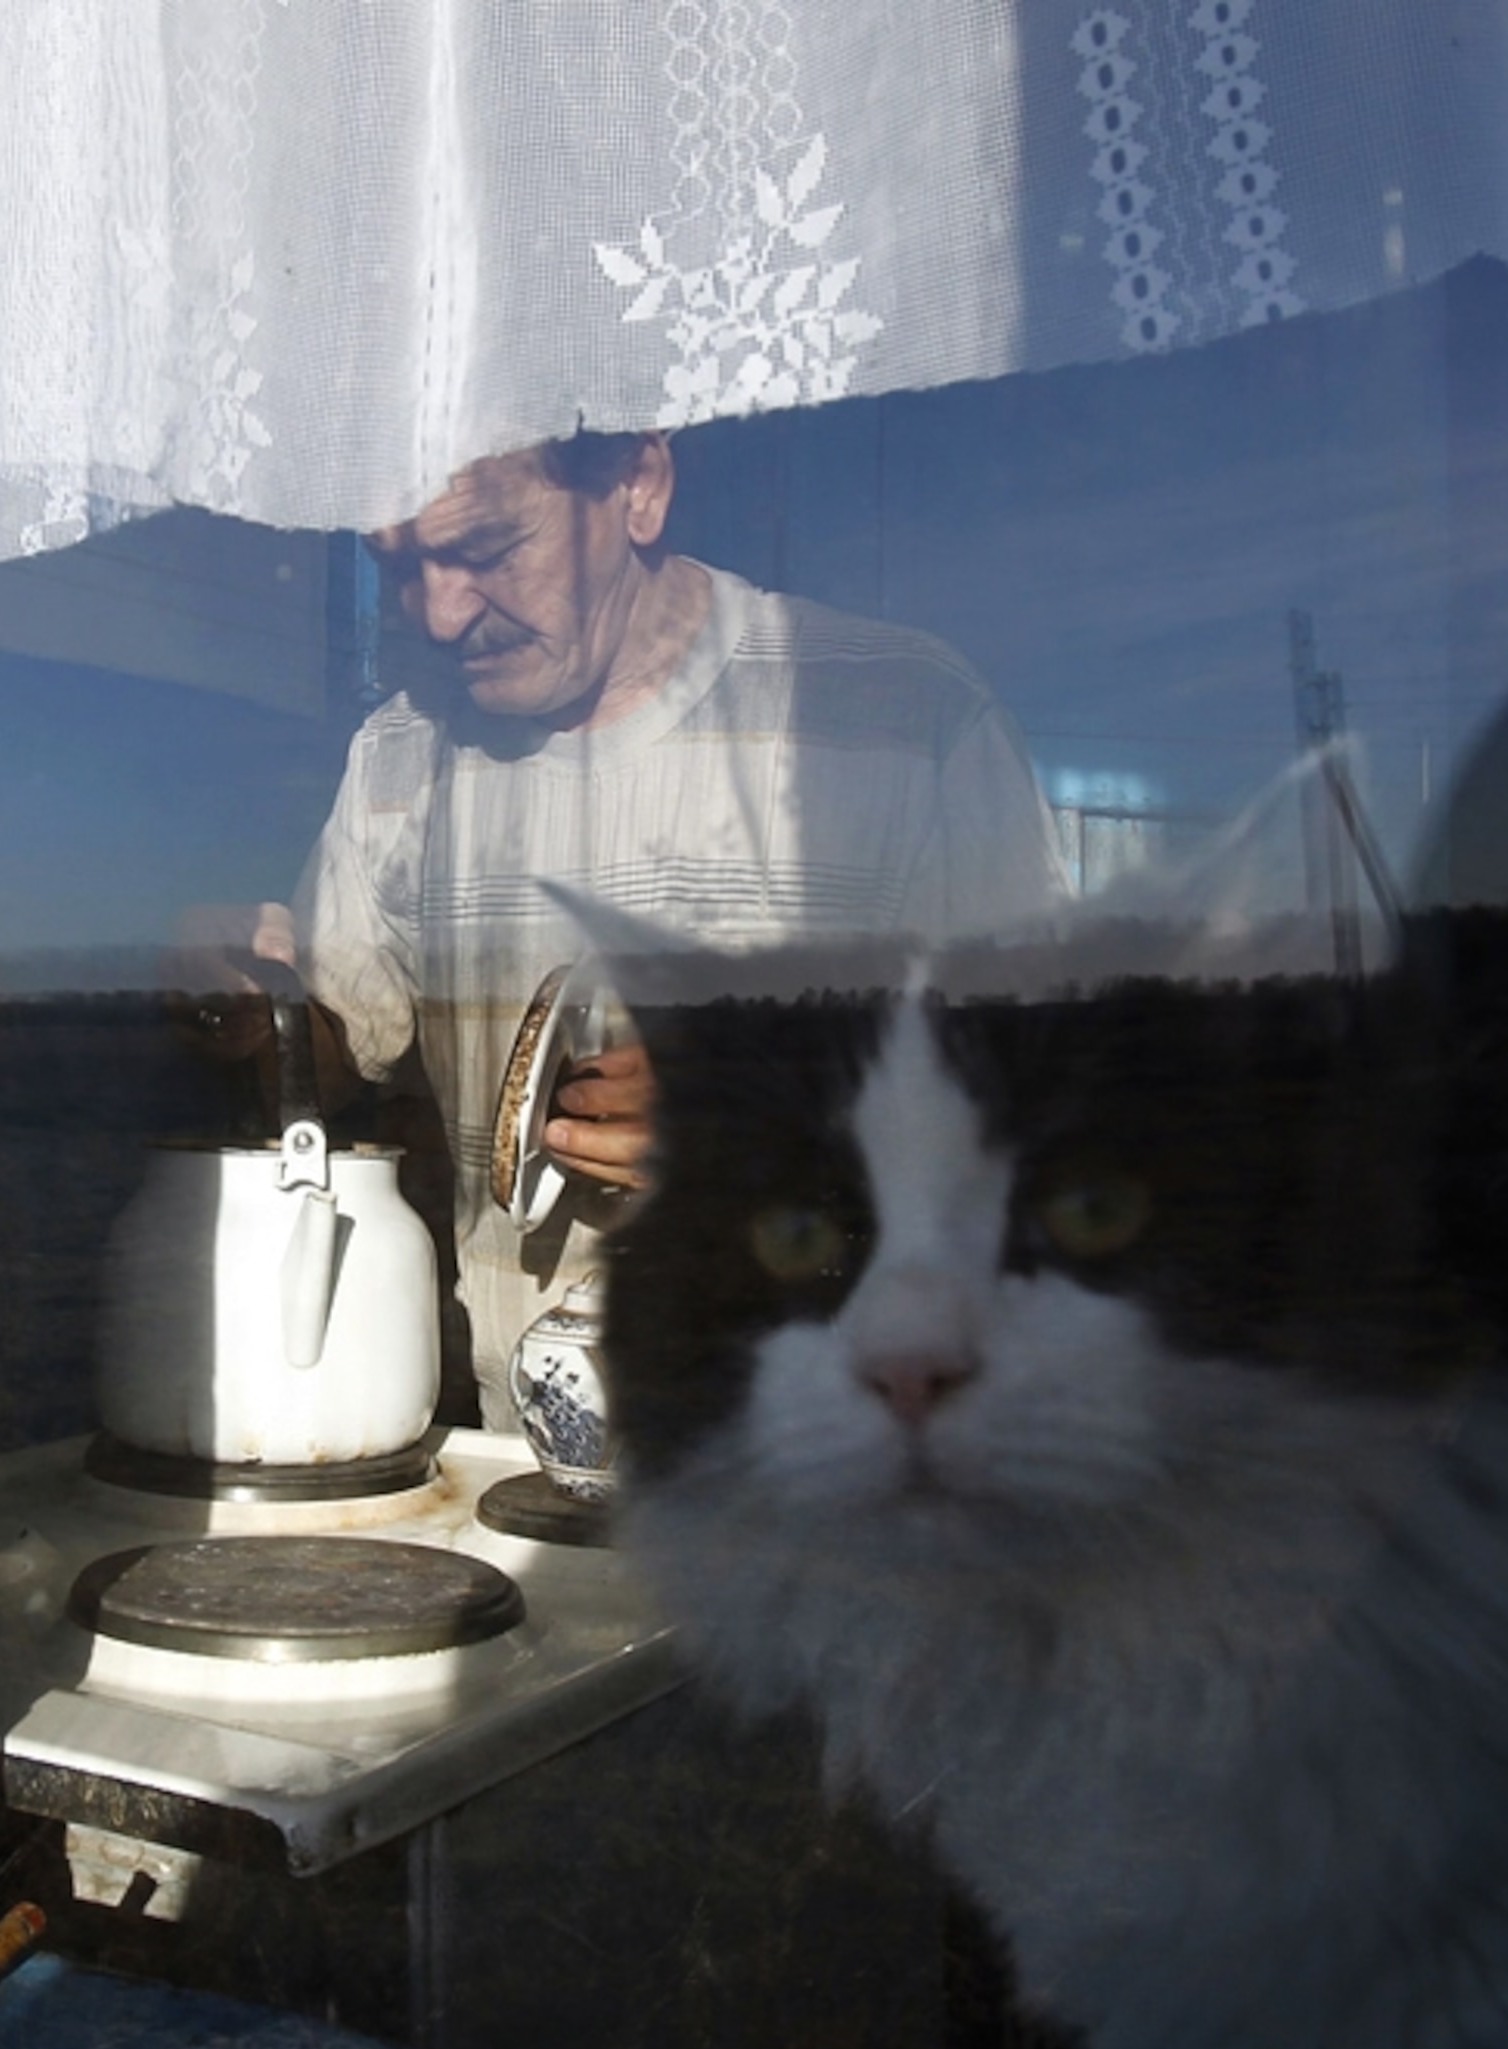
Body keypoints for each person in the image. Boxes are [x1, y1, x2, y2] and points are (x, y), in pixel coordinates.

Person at [186, 428, 1070, 1429]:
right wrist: (254, 1011)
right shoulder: (399, 756)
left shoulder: (908, 721)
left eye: (483, 551)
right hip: (517, 1487)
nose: (439, 614)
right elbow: (327, 1072)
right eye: (399, 568)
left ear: (639, 488)